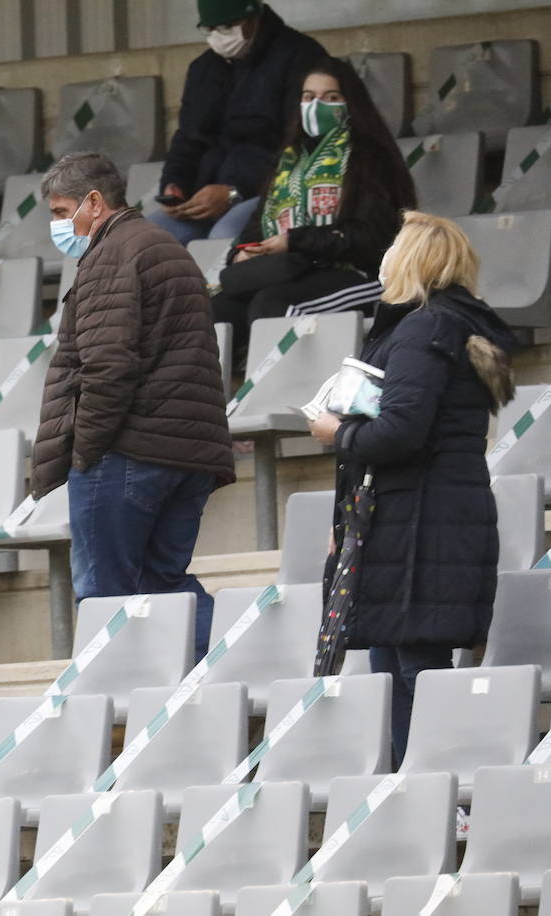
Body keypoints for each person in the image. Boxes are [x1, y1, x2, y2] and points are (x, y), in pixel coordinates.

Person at [308, 212, 515, 764]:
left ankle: (441, 800)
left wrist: (337, 431)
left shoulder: (425, 327)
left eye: (394, 245)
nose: (385, 256)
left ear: (412, 259)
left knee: (414, 672)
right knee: (399, 666)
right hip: (415, 520)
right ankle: (418, 793)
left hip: (421, 524)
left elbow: (400, 431)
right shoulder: (451, 324)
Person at [31, 152, 236, 663]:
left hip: (129, 452)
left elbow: (107, 366)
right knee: (163, 585)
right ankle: (241, 662)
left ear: (94, 203)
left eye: (61, 212)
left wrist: (87, 451)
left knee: (106, 594)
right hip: (187, 451)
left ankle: (114, 715)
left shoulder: (111, 255)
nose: (57, 225)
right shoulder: (164, 247)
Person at [212, 58, 418, 352]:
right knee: (219, 308)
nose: (316, 106)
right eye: (308, 98)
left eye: (330, 98)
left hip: (361, 275)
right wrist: (242, 253)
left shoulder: (368, 158)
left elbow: (373, 237)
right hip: (292, 271)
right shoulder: (289, 161)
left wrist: (294, 241)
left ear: (350, 103)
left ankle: (290, 390)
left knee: (273, 304)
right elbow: (256, 225)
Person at [151, 1, 327, 246]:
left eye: (226, 27)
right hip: (205, 198)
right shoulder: (203, 69)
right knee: (144, 240)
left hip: (273, 192)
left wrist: (234, 191)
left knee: (223, 236)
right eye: (209, 29)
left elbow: (302, 142)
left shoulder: (302, 57)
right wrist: (174, 184)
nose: (218, 37)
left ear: (253, 18)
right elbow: (188, 139)